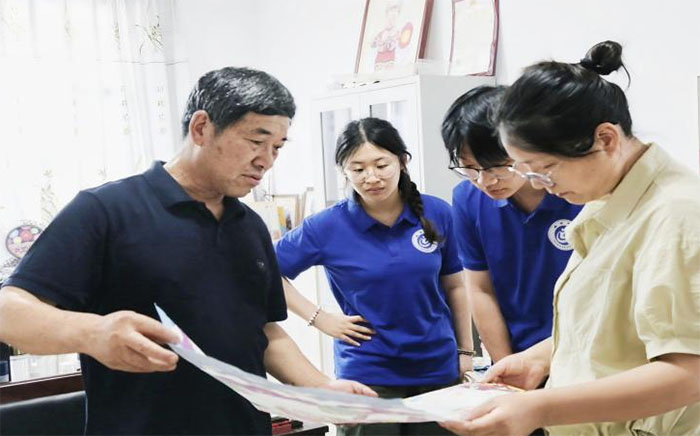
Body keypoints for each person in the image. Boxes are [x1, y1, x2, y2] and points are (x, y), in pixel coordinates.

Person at [0, 66, 376, 435]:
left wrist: (320, 387)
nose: (266, 160)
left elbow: (262, 330)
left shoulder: (249, 225)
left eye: (276, 147)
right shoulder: (106, 210)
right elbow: (10, 311)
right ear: (201, 128)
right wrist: (91, 332)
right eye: (255, 141)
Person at [440, 41, 700, 436]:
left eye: (545, 169)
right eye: (526, 171)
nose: (539, 184)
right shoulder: (607, 200)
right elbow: (608, 329)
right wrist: (541, 358)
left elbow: (689, 372)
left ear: (606, 139)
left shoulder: (676, 215)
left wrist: (540, 408)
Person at [275, 117, 474, 435]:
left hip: (437, 369)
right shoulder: (326, 226)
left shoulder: (438, 213)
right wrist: (318, 318)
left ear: (402, 161)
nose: (371, 177)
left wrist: (465, 351)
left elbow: (456, 287)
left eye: (382, 165)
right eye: (358, 169)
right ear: (344, 172)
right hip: (367, 375)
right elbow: (268, 272)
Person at [441, 86, 582, 362]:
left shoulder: (577, 193)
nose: (486, 181)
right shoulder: (467, 199)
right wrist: (507, 365)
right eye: (470, 168)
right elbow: (480, 289)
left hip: (585, 350)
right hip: (517, 352)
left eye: (497, 166)